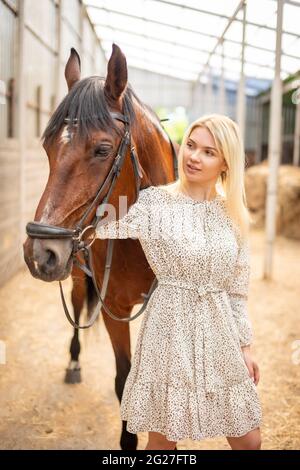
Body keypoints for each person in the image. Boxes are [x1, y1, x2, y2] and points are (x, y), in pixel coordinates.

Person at [96, 114, 263, 450]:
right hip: (168, 332)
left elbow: (237, 290)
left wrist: (244, 346)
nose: (193, 157)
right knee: (162, 442)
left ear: (225, 163)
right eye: (190, 145)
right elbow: (99, 225)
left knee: (250, 441)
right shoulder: (154, 204)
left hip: (219, 333)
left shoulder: (233, 214)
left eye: (208, 152)